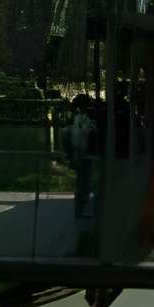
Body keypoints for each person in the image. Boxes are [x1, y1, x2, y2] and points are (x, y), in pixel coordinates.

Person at [66, 93, 99, 224]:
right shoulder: (83, 120)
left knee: (82, 182)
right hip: (85, 155)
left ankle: (80, 209)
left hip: (81, 155)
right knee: (84, 181)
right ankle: (81, 209)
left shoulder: (79, 119)